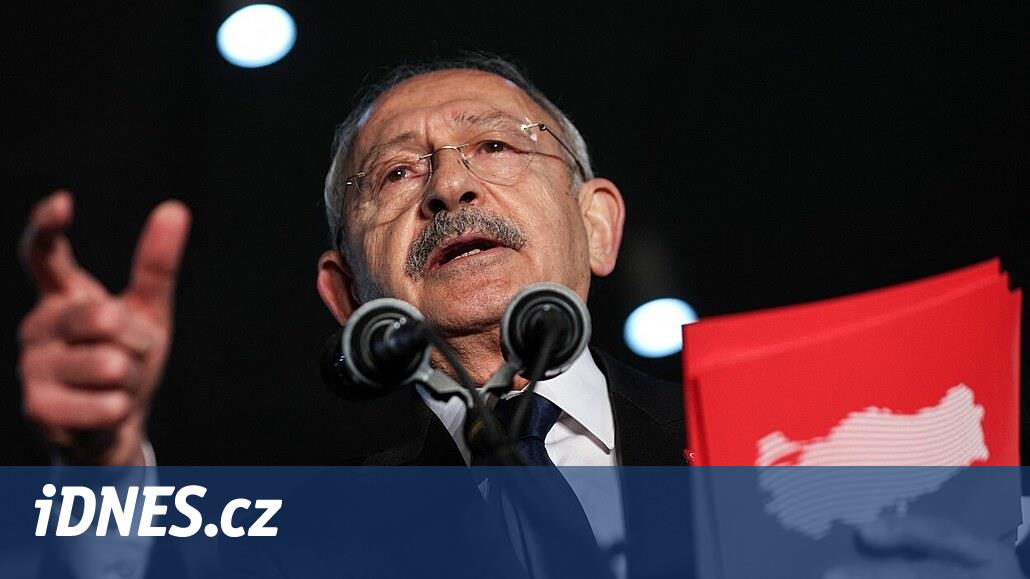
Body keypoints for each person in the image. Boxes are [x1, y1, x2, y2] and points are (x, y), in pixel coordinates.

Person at [17, 53, 1026, 578]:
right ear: (345, 295)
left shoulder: (797, 447)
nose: (450, 186)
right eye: (396, 173)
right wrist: (101, 468)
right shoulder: (308, 533)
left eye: (495, 147)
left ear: (597, 224)